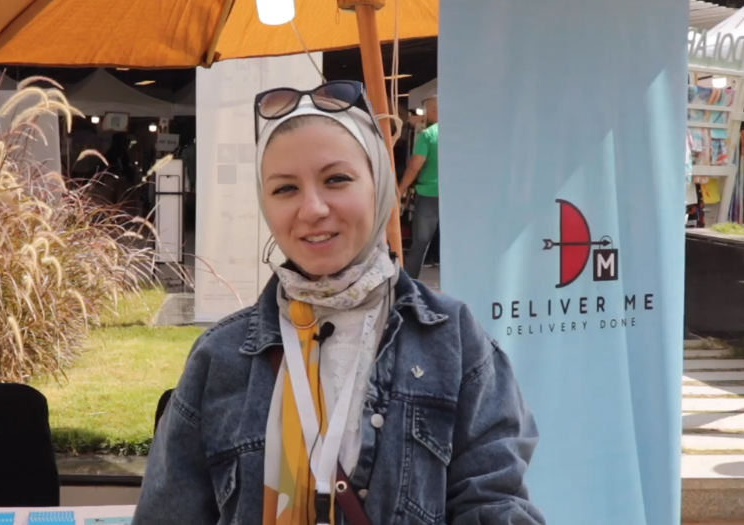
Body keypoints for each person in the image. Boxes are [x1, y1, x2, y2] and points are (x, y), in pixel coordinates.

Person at [132, 81, 544, 524]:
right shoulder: (220, 358)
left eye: (336, 180)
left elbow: (492, 499)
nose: (312, 209)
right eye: (285, 189)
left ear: (379, 184)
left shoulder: (451, 339)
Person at [399, 95, 439, 279]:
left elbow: (415, 166)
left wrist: (401, 189)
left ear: (433, 111)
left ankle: (409, 280)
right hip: (456, 195)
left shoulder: (428, 135)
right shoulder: (462, 132)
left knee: (421, 241)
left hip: (429, 194)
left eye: (428, 111)